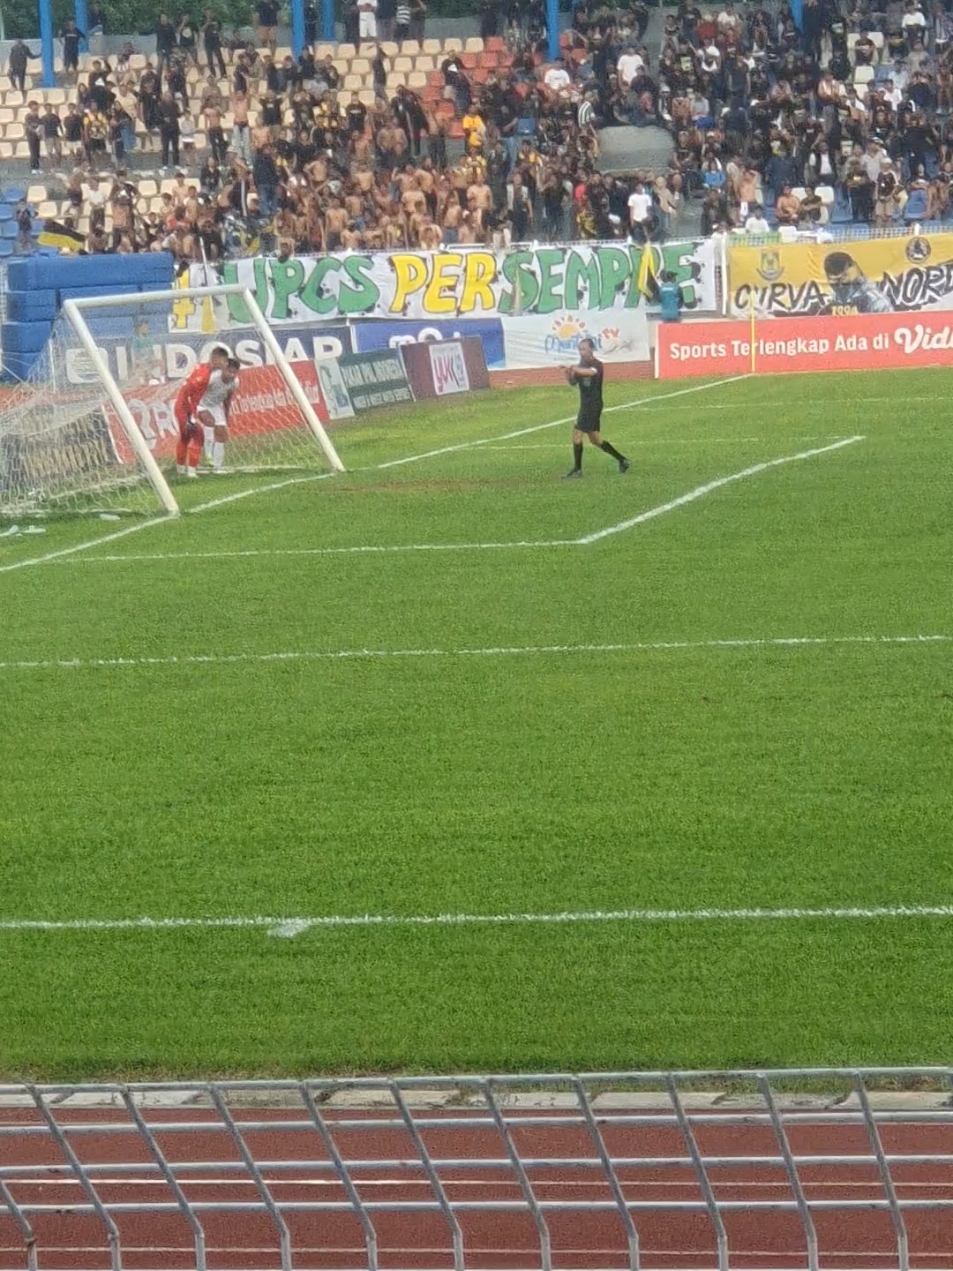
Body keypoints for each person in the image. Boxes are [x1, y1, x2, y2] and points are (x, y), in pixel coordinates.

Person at [563, 339, 629, 479]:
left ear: (591, 349)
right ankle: (622, 460)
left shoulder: (597, 365)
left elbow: (590, 373)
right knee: (595, 440)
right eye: (580, 349)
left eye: (584, 349)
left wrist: (574, 368)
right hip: (586, 405)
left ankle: (577, 469)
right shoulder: (579, 366)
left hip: (593, 405)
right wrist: (568, 373)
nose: (582, 352)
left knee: (577, 435)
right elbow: (573, 383)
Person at [173, 346, 231, 477]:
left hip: (182, 407)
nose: (225, 364)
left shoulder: (206, 370)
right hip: (184, 408)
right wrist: (192, 416)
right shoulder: (203, 375)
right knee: (198, 436)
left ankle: (180, 470)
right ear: (215, 360)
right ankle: (192, 472)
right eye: (223, 362)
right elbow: (188, 393)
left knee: (185, 437)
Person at [195, 356, 240, 473]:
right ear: (223, 369)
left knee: (223, 435)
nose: (231, 375)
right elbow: (197, 390)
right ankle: (208, 456)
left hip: (214, 407)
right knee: (210, 422)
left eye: (234, 372)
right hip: (200, 403)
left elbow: (228, 398)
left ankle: (217, 467)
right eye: (229, 371)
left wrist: (226, 415)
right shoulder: (213, 378)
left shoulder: (235, 382)